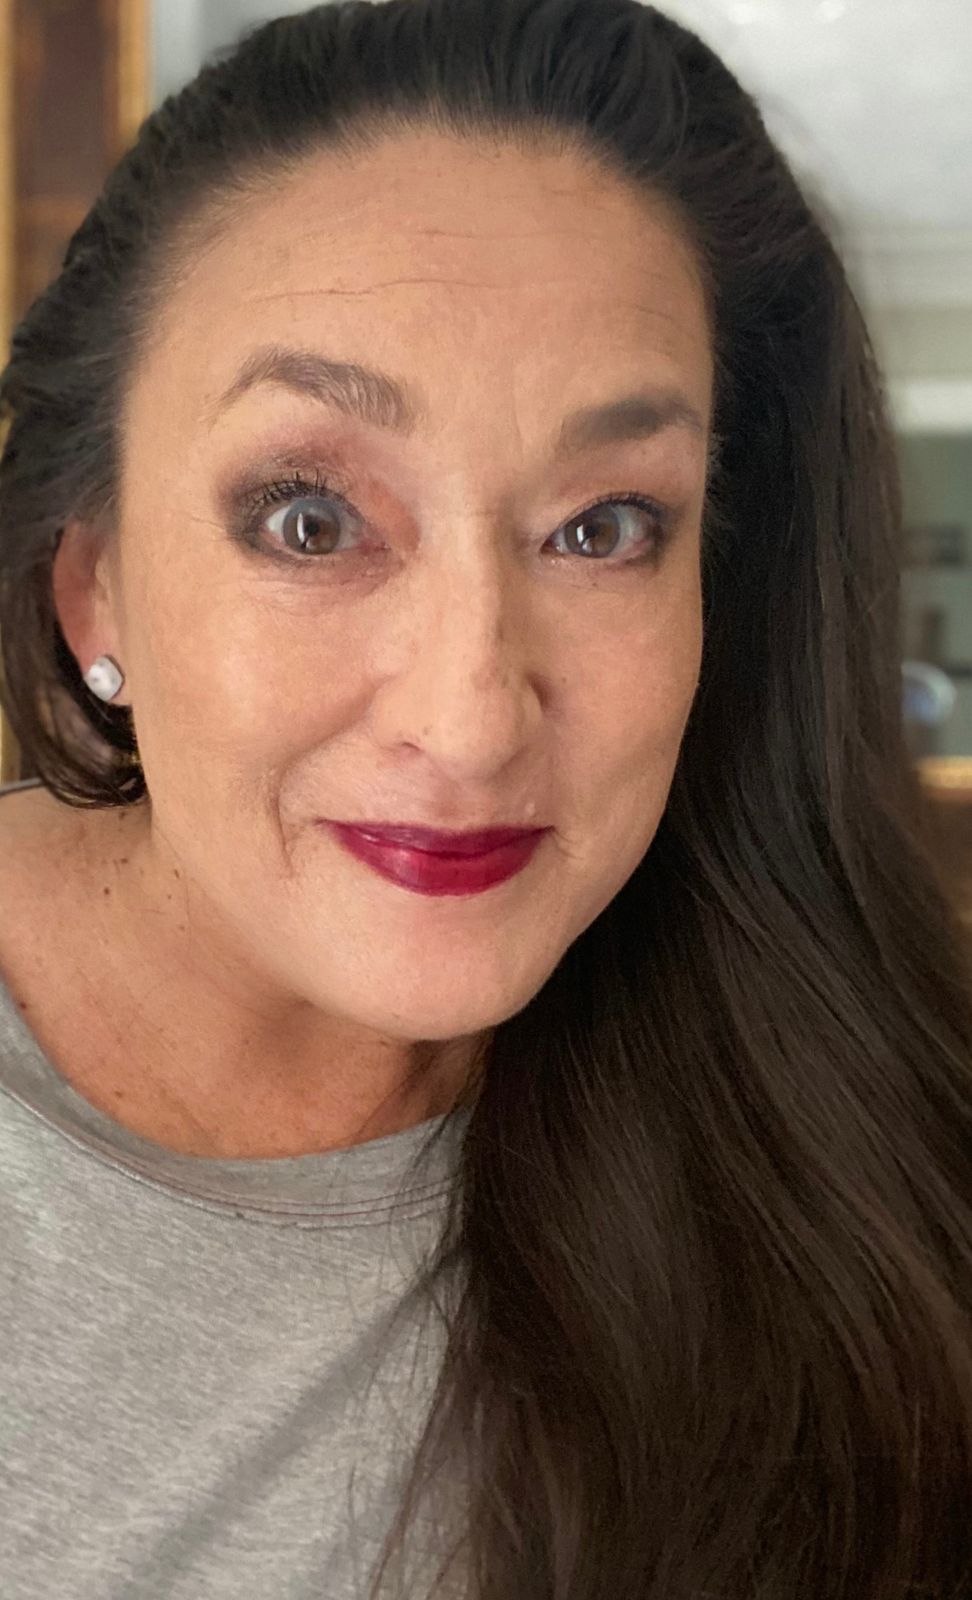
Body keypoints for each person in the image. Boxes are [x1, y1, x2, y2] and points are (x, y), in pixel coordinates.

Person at [1, 0, 971, 1595]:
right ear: (94, 587)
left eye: (604, 528)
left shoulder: (856, 1158)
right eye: (310, 521)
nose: (468, 722)